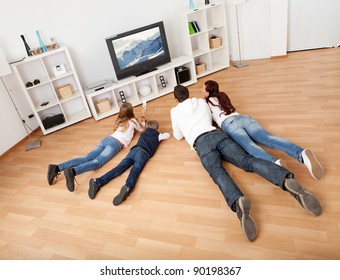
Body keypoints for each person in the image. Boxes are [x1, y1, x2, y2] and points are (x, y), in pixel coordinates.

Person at [170, 84, 322, 242]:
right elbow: (210, 117)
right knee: (247, 161)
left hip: (201, 143)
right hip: (217, 134)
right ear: (188, 93)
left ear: (176, 99)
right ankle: (285, 179)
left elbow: (178, 135)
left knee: (218, 173)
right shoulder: (201, 102)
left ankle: (238, 202)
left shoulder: (174, 111)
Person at [202, 80, 323, 180]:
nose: (202, 91)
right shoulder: (223, 96)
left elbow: (208, 119)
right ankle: (301, 153)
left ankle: (275, 162)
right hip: (243, 117)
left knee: (250, 147)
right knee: (269, 139)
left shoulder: (206, 103)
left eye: (203, 89)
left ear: (208, 92)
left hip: (230, 124)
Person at [47, 102, 146, 192]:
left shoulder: (120, 120)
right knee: (97, 163)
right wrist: (143, 115)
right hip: (115, 144)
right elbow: (142, 129)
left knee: (86, 158)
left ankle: (56, 168)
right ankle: (73, 171)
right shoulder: (133, 121)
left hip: (107, 139)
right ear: (131, 111)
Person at [88, 119, 171, 205]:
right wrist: (160, 134)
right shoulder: (157, 135)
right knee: (135, 171)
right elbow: (167, 135)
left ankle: (97, 182)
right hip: (143, 153)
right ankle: (127, 187)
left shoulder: (143, 133)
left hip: (133, 150)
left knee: (119, 168)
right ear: (157, 128)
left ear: (147, 127)